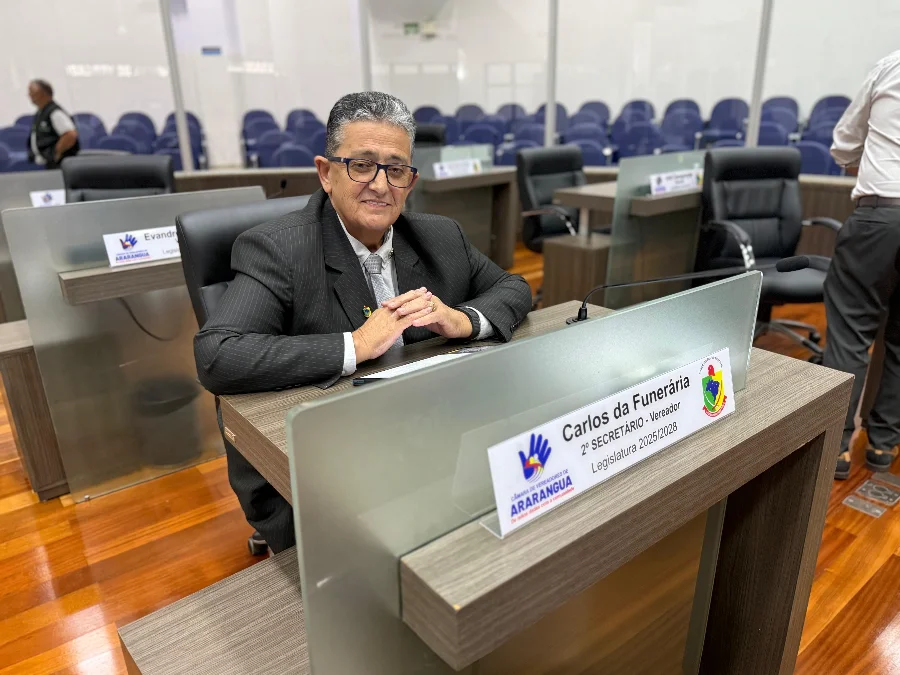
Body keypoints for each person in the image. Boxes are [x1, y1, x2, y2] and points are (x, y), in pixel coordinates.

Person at [194, 91, 533, 551]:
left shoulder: (439, 235)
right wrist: (354, 345)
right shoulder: (279, 249)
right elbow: (218, 355)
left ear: (410, 180)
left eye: (395, 169)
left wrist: (464, 320)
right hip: (323, 466)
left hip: (425, 440)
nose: (380, 184)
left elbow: (514, 287)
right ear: (325, 173)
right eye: (361, 164)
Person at [826, 49, 900, 479]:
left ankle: (834, 447)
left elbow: (844, 144)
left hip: (881, 213)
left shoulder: (891, 66)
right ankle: (884, 445)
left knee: (851, 335)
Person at [27, 79, 79, 169]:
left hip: (59, 165)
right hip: (45, 164)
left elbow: (70, 135)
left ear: (43, 93)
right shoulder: (41, 112)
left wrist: (56, 153)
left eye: (32, 92)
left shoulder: (55, 112)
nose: (30, 95)